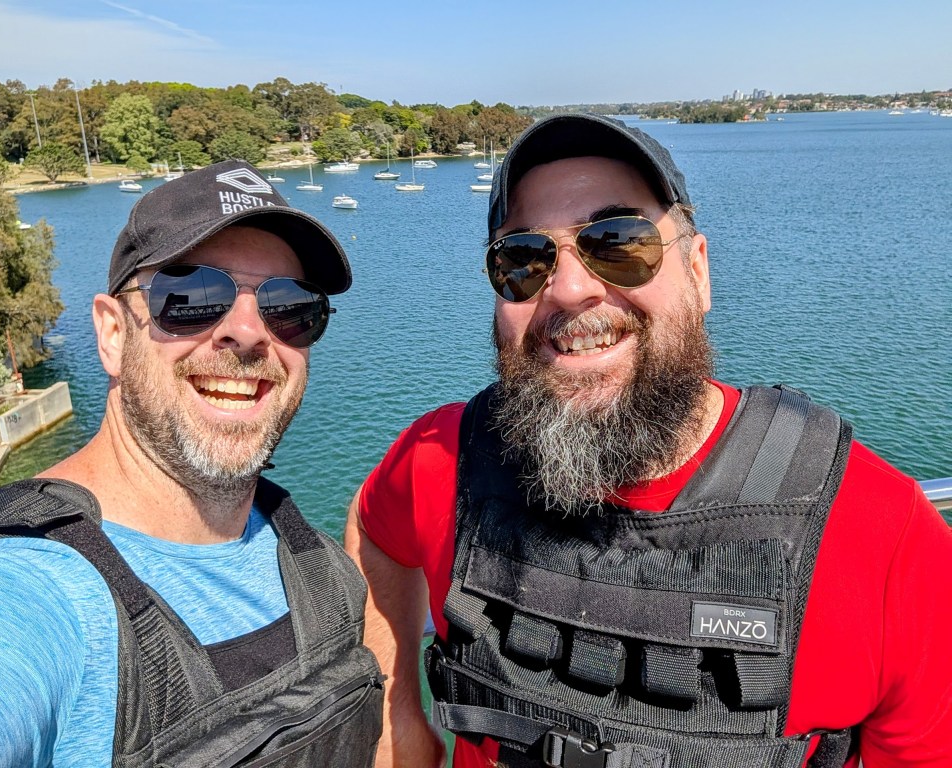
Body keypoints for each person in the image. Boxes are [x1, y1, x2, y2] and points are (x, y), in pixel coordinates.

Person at [344, 115, 952, 768]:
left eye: (618, 242)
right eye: (523, 259)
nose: (569, 288)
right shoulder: (444, 459)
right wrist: (397, 711)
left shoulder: (881, 534)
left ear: (698, 271)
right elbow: (376, 527)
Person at [0, 160, 383, 767]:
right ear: (113, 334)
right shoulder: (15, 588)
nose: (248, 333)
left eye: (289, 305)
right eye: (191, 296)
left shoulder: (321, 565)